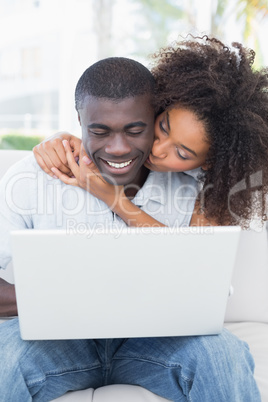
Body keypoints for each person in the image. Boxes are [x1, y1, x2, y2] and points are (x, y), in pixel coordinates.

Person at [0, 54, 261, 401]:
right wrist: (55, 299)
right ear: (79, 119)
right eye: (100, 130)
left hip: (157, 344)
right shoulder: (34, 175)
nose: (119, 147)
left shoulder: (205, 186)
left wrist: (111, 196)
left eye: (136, 130)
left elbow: (199, 285)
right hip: (60, 344)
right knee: (5, 357)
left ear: (151, 116)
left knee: (224, 354)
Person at [34, 36, 268, 228]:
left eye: (182, 153)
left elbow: (190, 261)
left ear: (208, 162)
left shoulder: (218, 192)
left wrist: (113, 198)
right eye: (163, 127)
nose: (156, 149)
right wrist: (63, 140)